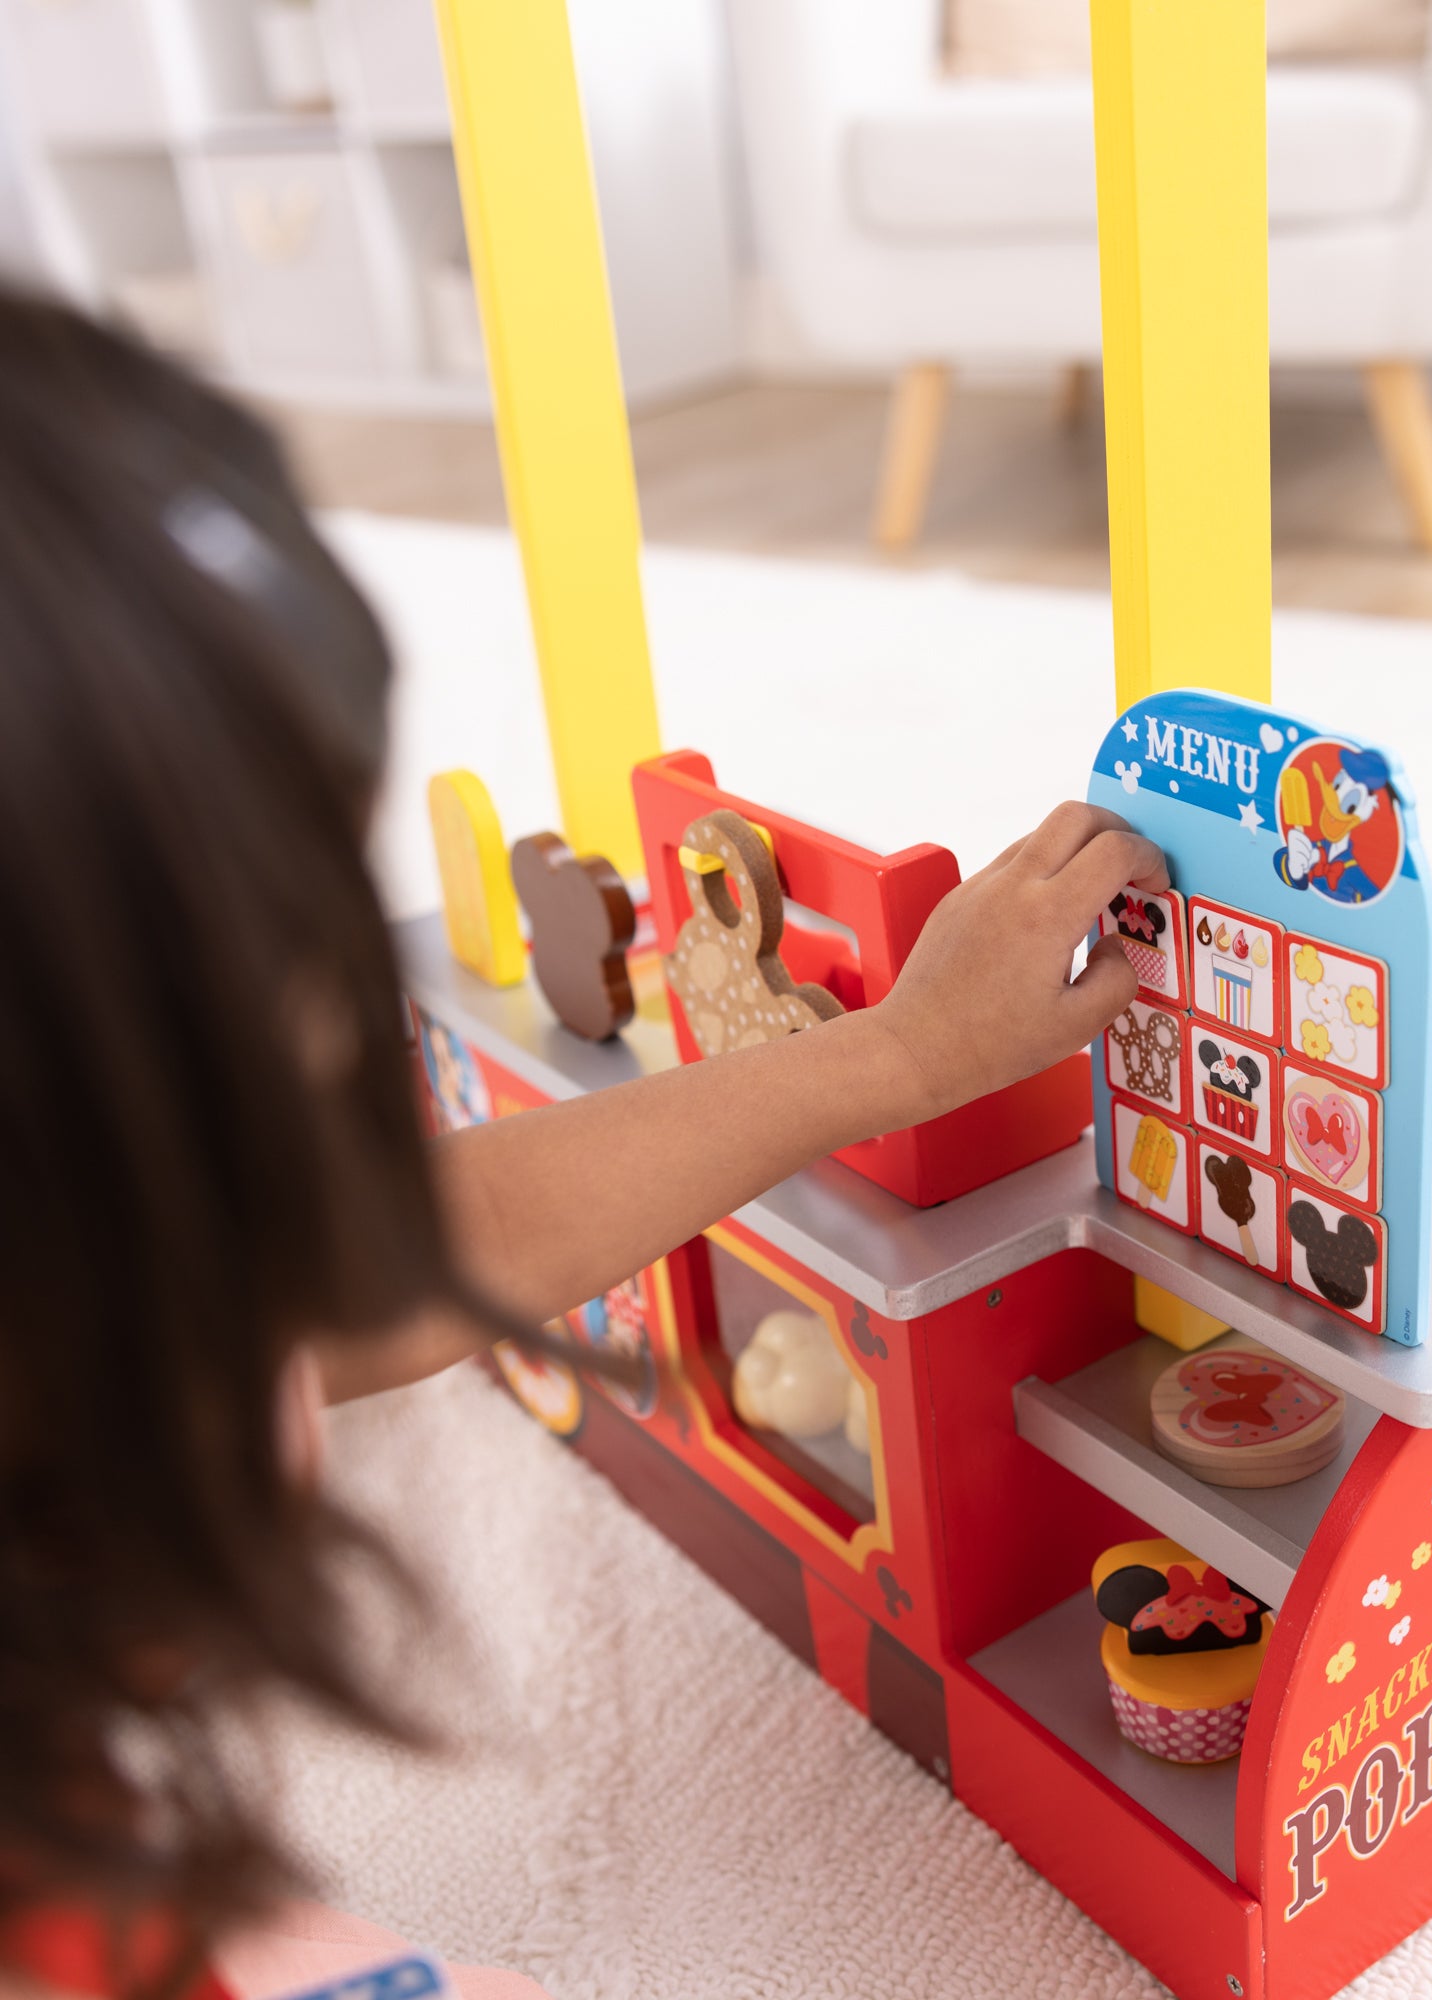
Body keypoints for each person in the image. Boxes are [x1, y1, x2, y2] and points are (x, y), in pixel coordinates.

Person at [0, 290, 1164, 1998]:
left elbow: (422, 1250)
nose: (337, 1061)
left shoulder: (132, 1302)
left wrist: (906, 1053)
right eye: (271, 1017)